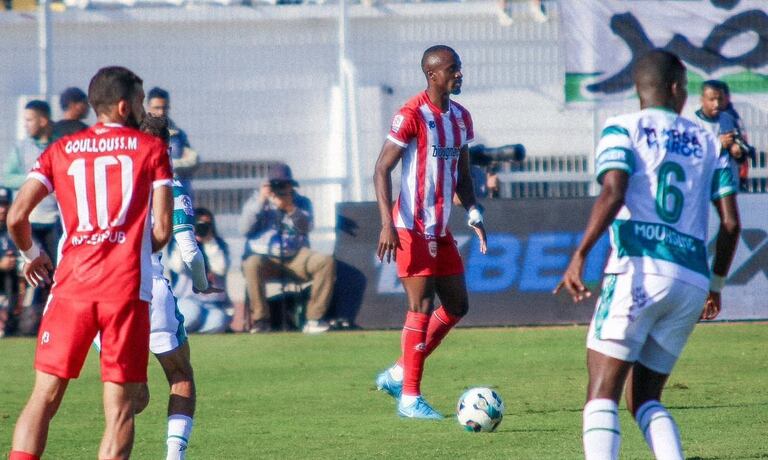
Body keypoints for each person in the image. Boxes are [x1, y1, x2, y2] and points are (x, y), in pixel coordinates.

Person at [554, 50, 741, 459]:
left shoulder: (621, 128)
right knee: (645, 398)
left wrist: (580, 253)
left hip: (638, 270)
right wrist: (715, 285)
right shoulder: (709, 142)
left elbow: (613, 191)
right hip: (690, 281)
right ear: (675, 88)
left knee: (602, 393)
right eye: (686, 88)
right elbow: (730, 224)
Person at [7, 66, 174, 460]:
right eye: (139, 101)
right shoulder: (150, 150)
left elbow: (16, 216)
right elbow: (163, 230)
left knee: (43, 397)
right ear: (124, 106)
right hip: (125, 290)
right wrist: (127, 246)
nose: (143, 109)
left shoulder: (60, 149)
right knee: (119, 411)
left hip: (71, 287)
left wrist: (32, 254)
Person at [373, 45, 488, 419]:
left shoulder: (461, 117)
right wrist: (387, 224)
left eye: (459, 67)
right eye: (452, 69)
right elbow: (381, 169)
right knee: (420, 307)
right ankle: (410, 398)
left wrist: (474, 212)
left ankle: (397, 374)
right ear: (432, 75)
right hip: (410, 227)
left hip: (440, 229)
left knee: (457, 306)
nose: (459, 74)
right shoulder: (411, 114)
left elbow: (463, 176)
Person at [240, 163, 335, 334]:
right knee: (251, 263)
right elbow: (244, 229)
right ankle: (261, 320)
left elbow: (307, 228)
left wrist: (290, 208)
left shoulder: (302, 202)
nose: (281, 189)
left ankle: (314, 319)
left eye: (285, 184)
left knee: (325, 261)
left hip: (295, 256)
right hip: (265, 257)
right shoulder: (256, 200)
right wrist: (261, 202)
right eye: (276, 185)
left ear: (291, 185)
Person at [3, 100, 61, 266]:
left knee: (55, 269)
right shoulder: (21, 148)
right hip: (28, 220)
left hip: (54, 221)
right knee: (31, 270)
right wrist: (36, 181)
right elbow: (5, 177)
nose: (25, 125)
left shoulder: (59, 145)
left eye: (29, 120)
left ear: (42, 121)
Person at [169, 207, 231, 334]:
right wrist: (185, 239)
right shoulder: (179, 244)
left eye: (207, 224)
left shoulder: (218, 245)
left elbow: (221, 268)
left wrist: (210, 242)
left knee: (217, 323)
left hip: (213, 303)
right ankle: (184, 331)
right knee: (191, 316)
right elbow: (177, 267)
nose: (202, 227)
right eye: (199, 224)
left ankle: (194, 334)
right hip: (187, 298)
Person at [692, 80, 750, 188]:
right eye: (712, 99)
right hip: (704, 182)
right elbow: (691, 155)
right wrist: (718, 144)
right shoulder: (692, 122)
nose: (717, 104)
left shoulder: (729, 119)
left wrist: (737, 152)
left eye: (720, 99)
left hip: (726, 182)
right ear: (702, 100)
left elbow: (740, 156)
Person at [146, 87, 200, 197]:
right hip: (149, 194)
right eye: (157, 108)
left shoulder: (178, 135)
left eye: (164, 108)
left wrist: (170, 165)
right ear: (148, 107)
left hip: (177, 194)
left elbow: (193, 160)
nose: (161, 112)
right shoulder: (139, 134)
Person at [0, 187, 24, 338]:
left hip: (13, 286)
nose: (2, 209)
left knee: (28, 325)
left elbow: (28, 259)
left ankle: (9, 314)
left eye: (5, 204)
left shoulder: (16, 229)